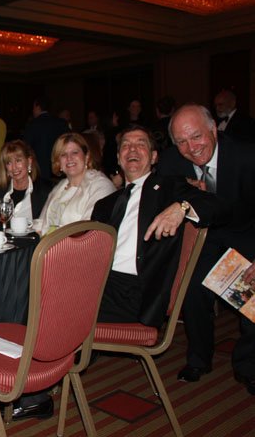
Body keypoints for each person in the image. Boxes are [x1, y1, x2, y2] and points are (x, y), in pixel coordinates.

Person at [157, 104, 255, 391]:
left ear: (214, 130)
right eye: (181, 142)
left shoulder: (247, 156)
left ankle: (248, 365)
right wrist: (188, 194)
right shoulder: (171, 161)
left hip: (247, 233)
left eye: (197, 137)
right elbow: (169, 190)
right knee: (190, 290)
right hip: (204, 235)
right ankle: (199, 357)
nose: (191, 148)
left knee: (250, 297)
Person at [92, 125, 220, 327]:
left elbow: (214, 204)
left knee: (61, 301)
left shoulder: (169, 188)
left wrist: (182, 207)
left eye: (140, 144)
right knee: (42, 287)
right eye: (126, 145)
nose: (132, 150)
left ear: (153, 157)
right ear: (118, 158)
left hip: (136, 291)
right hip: (101, 283)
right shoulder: (104, 205)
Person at [37, 133, 115, 235]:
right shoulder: (60, 187)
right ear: (58, 162)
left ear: (86, 157)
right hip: (47, 246)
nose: (69, 158)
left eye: (75, 152)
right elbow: (41, 224)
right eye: (63, 154)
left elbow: (89, 229)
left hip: (76, 248)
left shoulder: (101, 185)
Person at [0, 140, 52, 221]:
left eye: (18, 161)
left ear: (29, 161)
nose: (14, 167)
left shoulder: (45, 191)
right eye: (9, 163)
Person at [23, 95, 70, 180]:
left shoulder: (32, 125)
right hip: (60, 169)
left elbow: (26, 148)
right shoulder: (61, 123)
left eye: (33, 107)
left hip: (40, 173)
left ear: (37, 107)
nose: (33, 110)